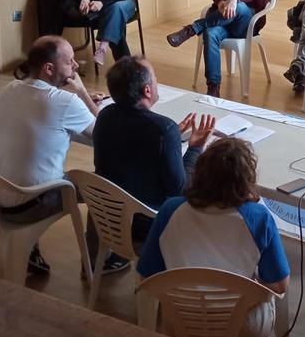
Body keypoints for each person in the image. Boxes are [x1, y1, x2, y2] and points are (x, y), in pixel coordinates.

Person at [137, 138, 290, 337]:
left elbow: (147, 276)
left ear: (199, 172)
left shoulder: (169, 210)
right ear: (247, 179)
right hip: (241, 329)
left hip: (180, 320)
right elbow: (279, 285)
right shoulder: (259, 218)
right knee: (266, 297)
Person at [0, 36, 103, 275]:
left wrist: (77, 103)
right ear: (49, 68)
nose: (76, 66)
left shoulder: (10, 88)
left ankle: (30, 253)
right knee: (103, 183)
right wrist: (83, 94)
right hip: (29, 204)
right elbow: (105, 134)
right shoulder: (65, 101)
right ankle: (99, 261)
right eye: (70, 62)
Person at [89, 56, 215, 274]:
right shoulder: (162, 130)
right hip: (147, 226)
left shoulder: (106, 115)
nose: (158, 82)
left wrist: (172, 137)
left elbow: (131, 150)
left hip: (108, 219)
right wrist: (195, 148)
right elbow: (179, 189)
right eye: (155, 79)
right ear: (147, 91)